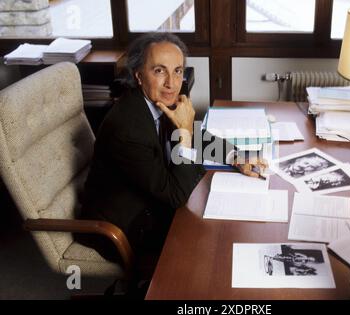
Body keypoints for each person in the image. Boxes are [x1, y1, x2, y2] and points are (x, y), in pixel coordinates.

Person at [78, 33, 266, 262]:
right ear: (138, 76)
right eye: (159, 70)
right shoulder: (126, 129)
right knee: (213, 246)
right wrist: (184, 132)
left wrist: (236, 156)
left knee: (227, 224)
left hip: (151, 199)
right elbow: (175, 195)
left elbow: (195, 136)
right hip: (124, 225)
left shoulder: (157, 100)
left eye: (177, 70)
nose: (172, 83)